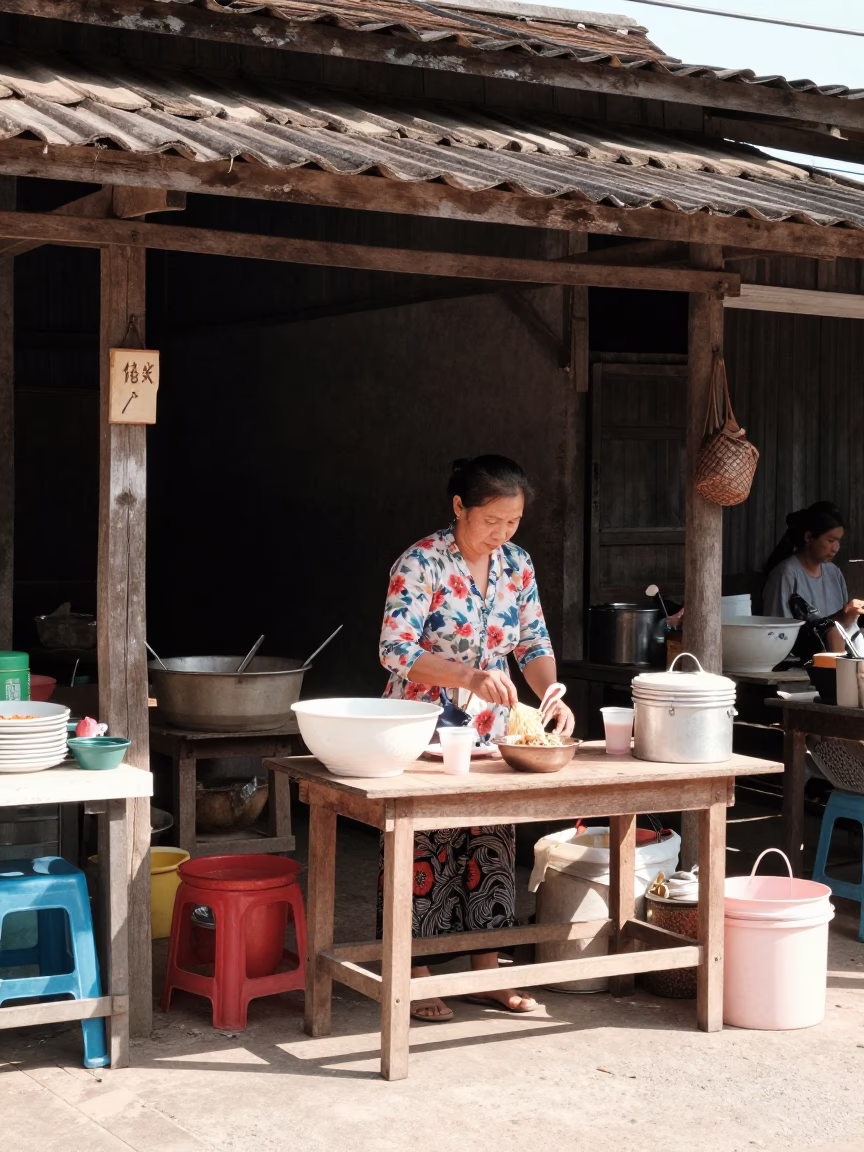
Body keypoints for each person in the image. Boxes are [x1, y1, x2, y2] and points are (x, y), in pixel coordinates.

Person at [378, 455, 575, 1023]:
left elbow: (532, 642)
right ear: (459, 507)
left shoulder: (516, 563)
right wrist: (467, 675)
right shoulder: (421, 563)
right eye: (492, 520)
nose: (502, 533)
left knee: (490, 844)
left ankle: (487, 970)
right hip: (423, 727)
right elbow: (396, 650)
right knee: (426, 848)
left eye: (512, 521)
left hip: (493, 729)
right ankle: (415, 973)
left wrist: (550, 694)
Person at [762, 502, 864, 651]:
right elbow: (778, 635)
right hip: (798, 664)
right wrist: (840, 617)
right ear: (809, 537)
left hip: (837, 655)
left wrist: (850, 617)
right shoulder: (785, 575)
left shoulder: (834, 573)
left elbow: (844, 630)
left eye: (838, 541)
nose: (836, 548)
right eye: (830, 541)